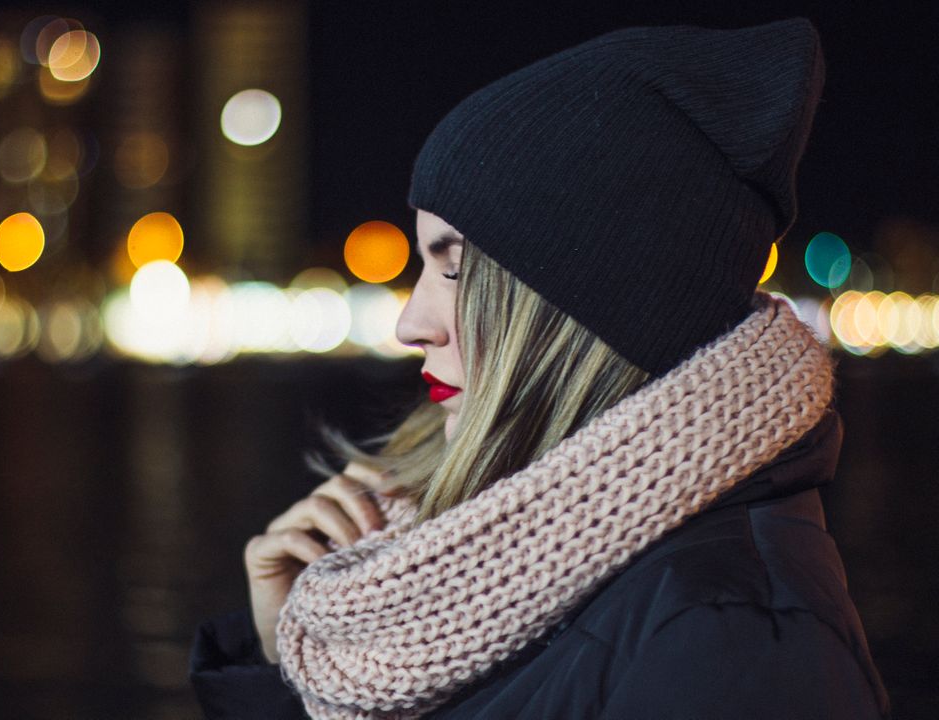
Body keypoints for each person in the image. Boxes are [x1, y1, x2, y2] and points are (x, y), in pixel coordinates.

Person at [189, 17, 892, 719]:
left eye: (457, 270)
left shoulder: (737, 648)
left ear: (590, 305)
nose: (411, 323)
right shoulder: (478, 560)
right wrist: (277, 661)